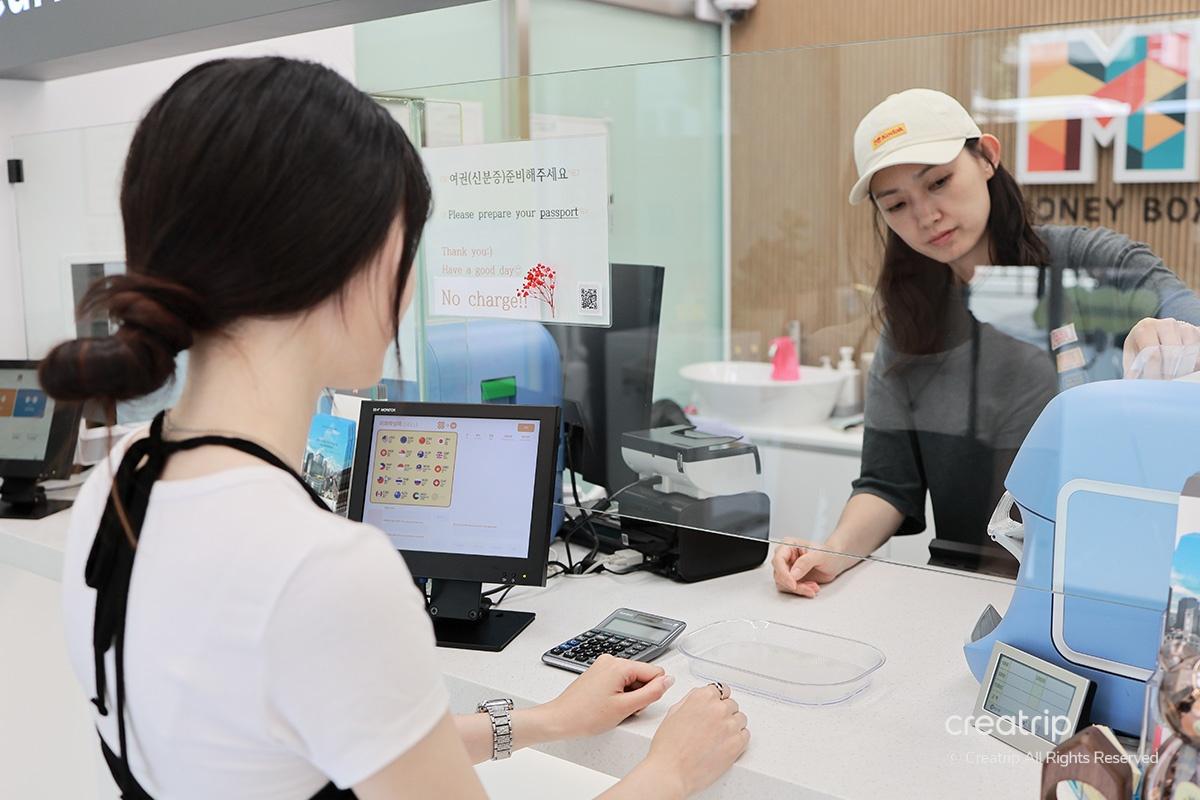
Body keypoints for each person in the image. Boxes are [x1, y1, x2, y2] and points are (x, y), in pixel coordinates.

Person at [42, 58, 748, 800]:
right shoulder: (325, 569)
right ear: (359, 263)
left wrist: (544, 721)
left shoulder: (120, 481)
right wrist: (670, 771)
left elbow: (298, 736)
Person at [773, 88, 1200, 594]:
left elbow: (1184, 318)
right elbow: (887, 485)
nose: (926, 215)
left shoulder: (1091, 263)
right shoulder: (911, 324)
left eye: (939, 182)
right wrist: (833, 551)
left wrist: (1171, 338)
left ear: (987, 157)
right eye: (897, 204)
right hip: (963, 589)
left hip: (1098, 586)